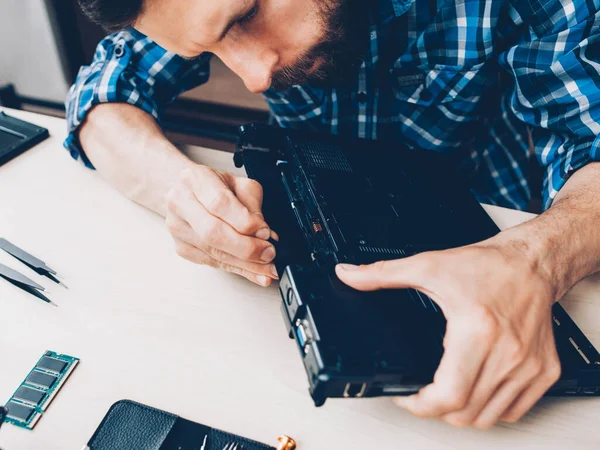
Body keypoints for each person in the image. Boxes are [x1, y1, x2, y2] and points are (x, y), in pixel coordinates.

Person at [66, 0, 600, 428]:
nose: (254, 77)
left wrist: (536, 259)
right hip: (318, 228)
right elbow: (102, 94)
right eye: (209, 48)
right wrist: (178, 192)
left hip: (490, 214)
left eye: (246, 16)